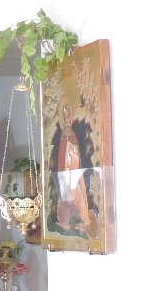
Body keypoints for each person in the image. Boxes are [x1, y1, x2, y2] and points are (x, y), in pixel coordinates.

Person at [49, 100, 94, 235]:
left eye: (68, 115)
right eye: (64, 116)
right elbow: (61, 154)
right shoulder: (63, 134)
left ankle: (85, 222)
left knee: (78, 195)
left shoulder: (72, 133)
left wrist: (71, 165)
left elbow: (75, 152)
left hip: (73, 170)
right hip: (65, 171)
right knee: (65, 199)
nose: (66, 119)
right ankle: (66, 222)